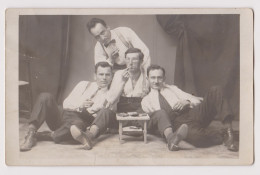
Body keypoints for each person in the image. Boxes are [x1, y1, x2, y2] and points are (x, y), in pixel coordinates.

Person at [70, 48, 188, 151]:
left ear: (141, 61)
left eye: (134, 59)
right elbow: (110, 99)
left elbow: (162, 87)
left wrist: (186, 99)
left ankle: (171, 139)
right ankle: (89, 137)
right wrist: (121, 82)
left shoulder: (148, 75)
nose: (130, 63)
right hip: (121, 114)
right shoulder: (118, 74)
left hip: (142, 114)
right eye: (127, 59)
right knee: (104, 112)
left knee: (161, 113)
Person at [141, 65, 238, 152]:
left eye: (159, 78)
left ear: (164, 78)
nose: (156, 81)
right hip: (177, 124)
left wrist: (187, 102)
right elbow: (156, 122)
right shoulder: (146, 101)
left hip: (192, 113)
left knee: (216, 90)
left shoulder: (172, 88)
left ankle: (229, 132)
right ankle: (222, 134)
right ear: (147, 79)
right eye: (153, 78)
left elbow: (198, 100)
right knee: (197, 138)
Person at [20, 62, 114, 151]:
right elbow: (66, 103)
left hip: (80, 121)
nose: (104, 78)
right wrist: (80, 105)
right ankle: (31, 134)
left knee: (76, 126)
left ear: (111, 77)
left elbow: (101, 117)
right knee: (45, 97)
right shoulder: (83, 84)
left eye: (107, 75)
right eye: (101, 74)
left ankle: (47, 135)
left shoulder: (111, 95)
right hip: (63, 116)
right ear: (95, 76)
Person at [87, 18, 151, 73]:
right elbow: (100, 70)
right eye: (97, 37)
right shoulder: (98, 46)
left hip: (136, 69)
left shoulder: (125, 32)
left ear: (108, 27)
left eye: (102, 32)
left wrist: (145, 74)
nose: (102, 38)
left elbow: (144, 52)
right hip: (116, 74)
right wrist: (111, 60)